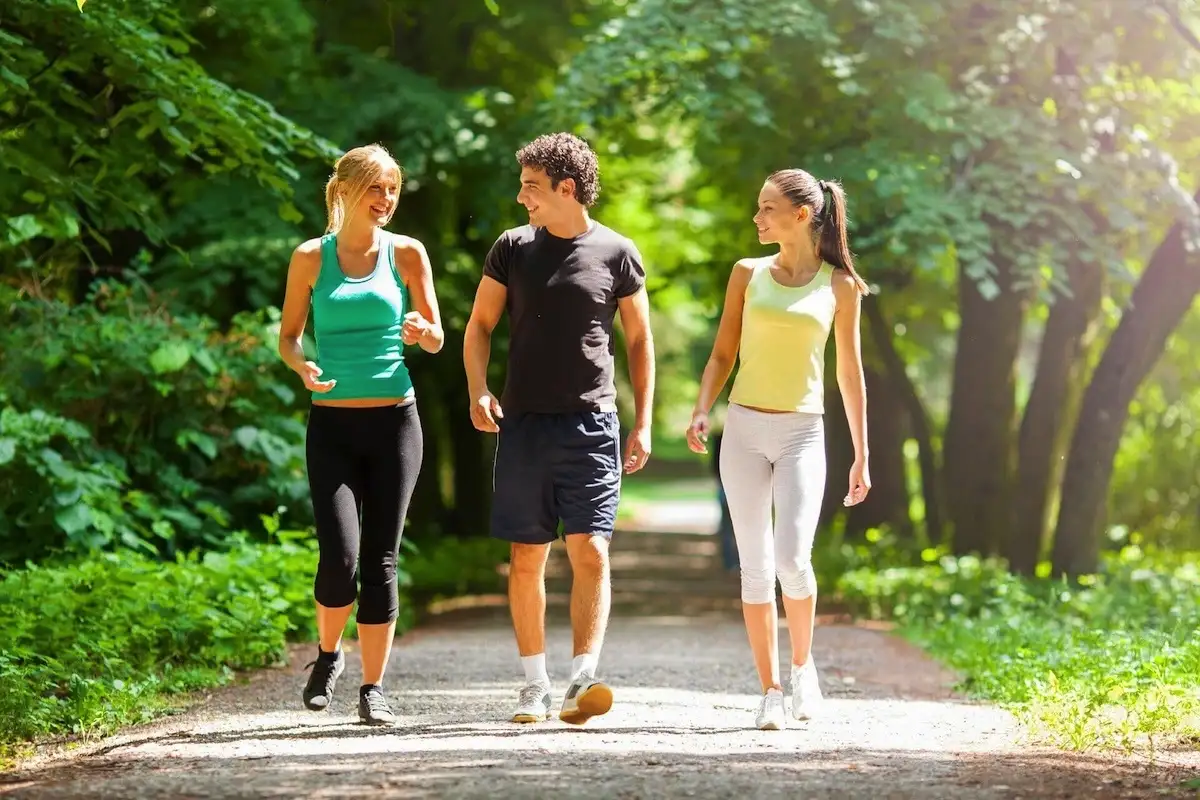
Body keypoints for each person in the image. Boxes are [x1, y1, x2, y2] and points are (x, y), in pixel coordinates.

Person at [463, 132, 655, 726]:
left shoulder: (617, 253)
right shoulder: (512, 249)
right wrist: (479, 389)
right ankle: (534, 686)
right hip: (523, 425)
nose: (522, 198)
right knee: (527, 556)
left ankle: (582, 680)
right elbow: (478, 327)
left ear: (565, 189)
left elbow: (641, 341)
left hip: (592, 423)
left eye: (531, 187)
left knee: (591, 551)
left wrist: (643, 421)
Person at [685, 168, 870, 731]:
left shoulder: (839, 286)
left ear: (802, 215)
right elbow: (722, 354)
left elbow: (849, 373)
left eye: (767, 208)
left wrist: (862, 453)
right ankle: (768, 690)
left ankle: (801, 667)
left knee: (793, 558)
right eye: (758, 207)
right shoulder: (747, 274)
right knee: (755, 567)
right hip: (742, 429)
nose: (757, 217)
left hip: (802, 433)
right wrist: (701, 407)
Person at [277, 144, 444, 726]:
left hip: (396, 420)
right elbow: (290, 337)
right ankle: (328, 656)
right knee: (339, 556)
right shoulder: (309, 258)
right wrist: (301, 366)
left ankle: (374, 687)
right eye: (375, 188)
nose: (386, 200)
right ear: (344, 190)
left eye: (393, 189)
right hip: (333, 425)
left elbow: (436, 336)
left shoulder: (407, 254)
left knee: (381, 559)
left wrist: (422, 330)